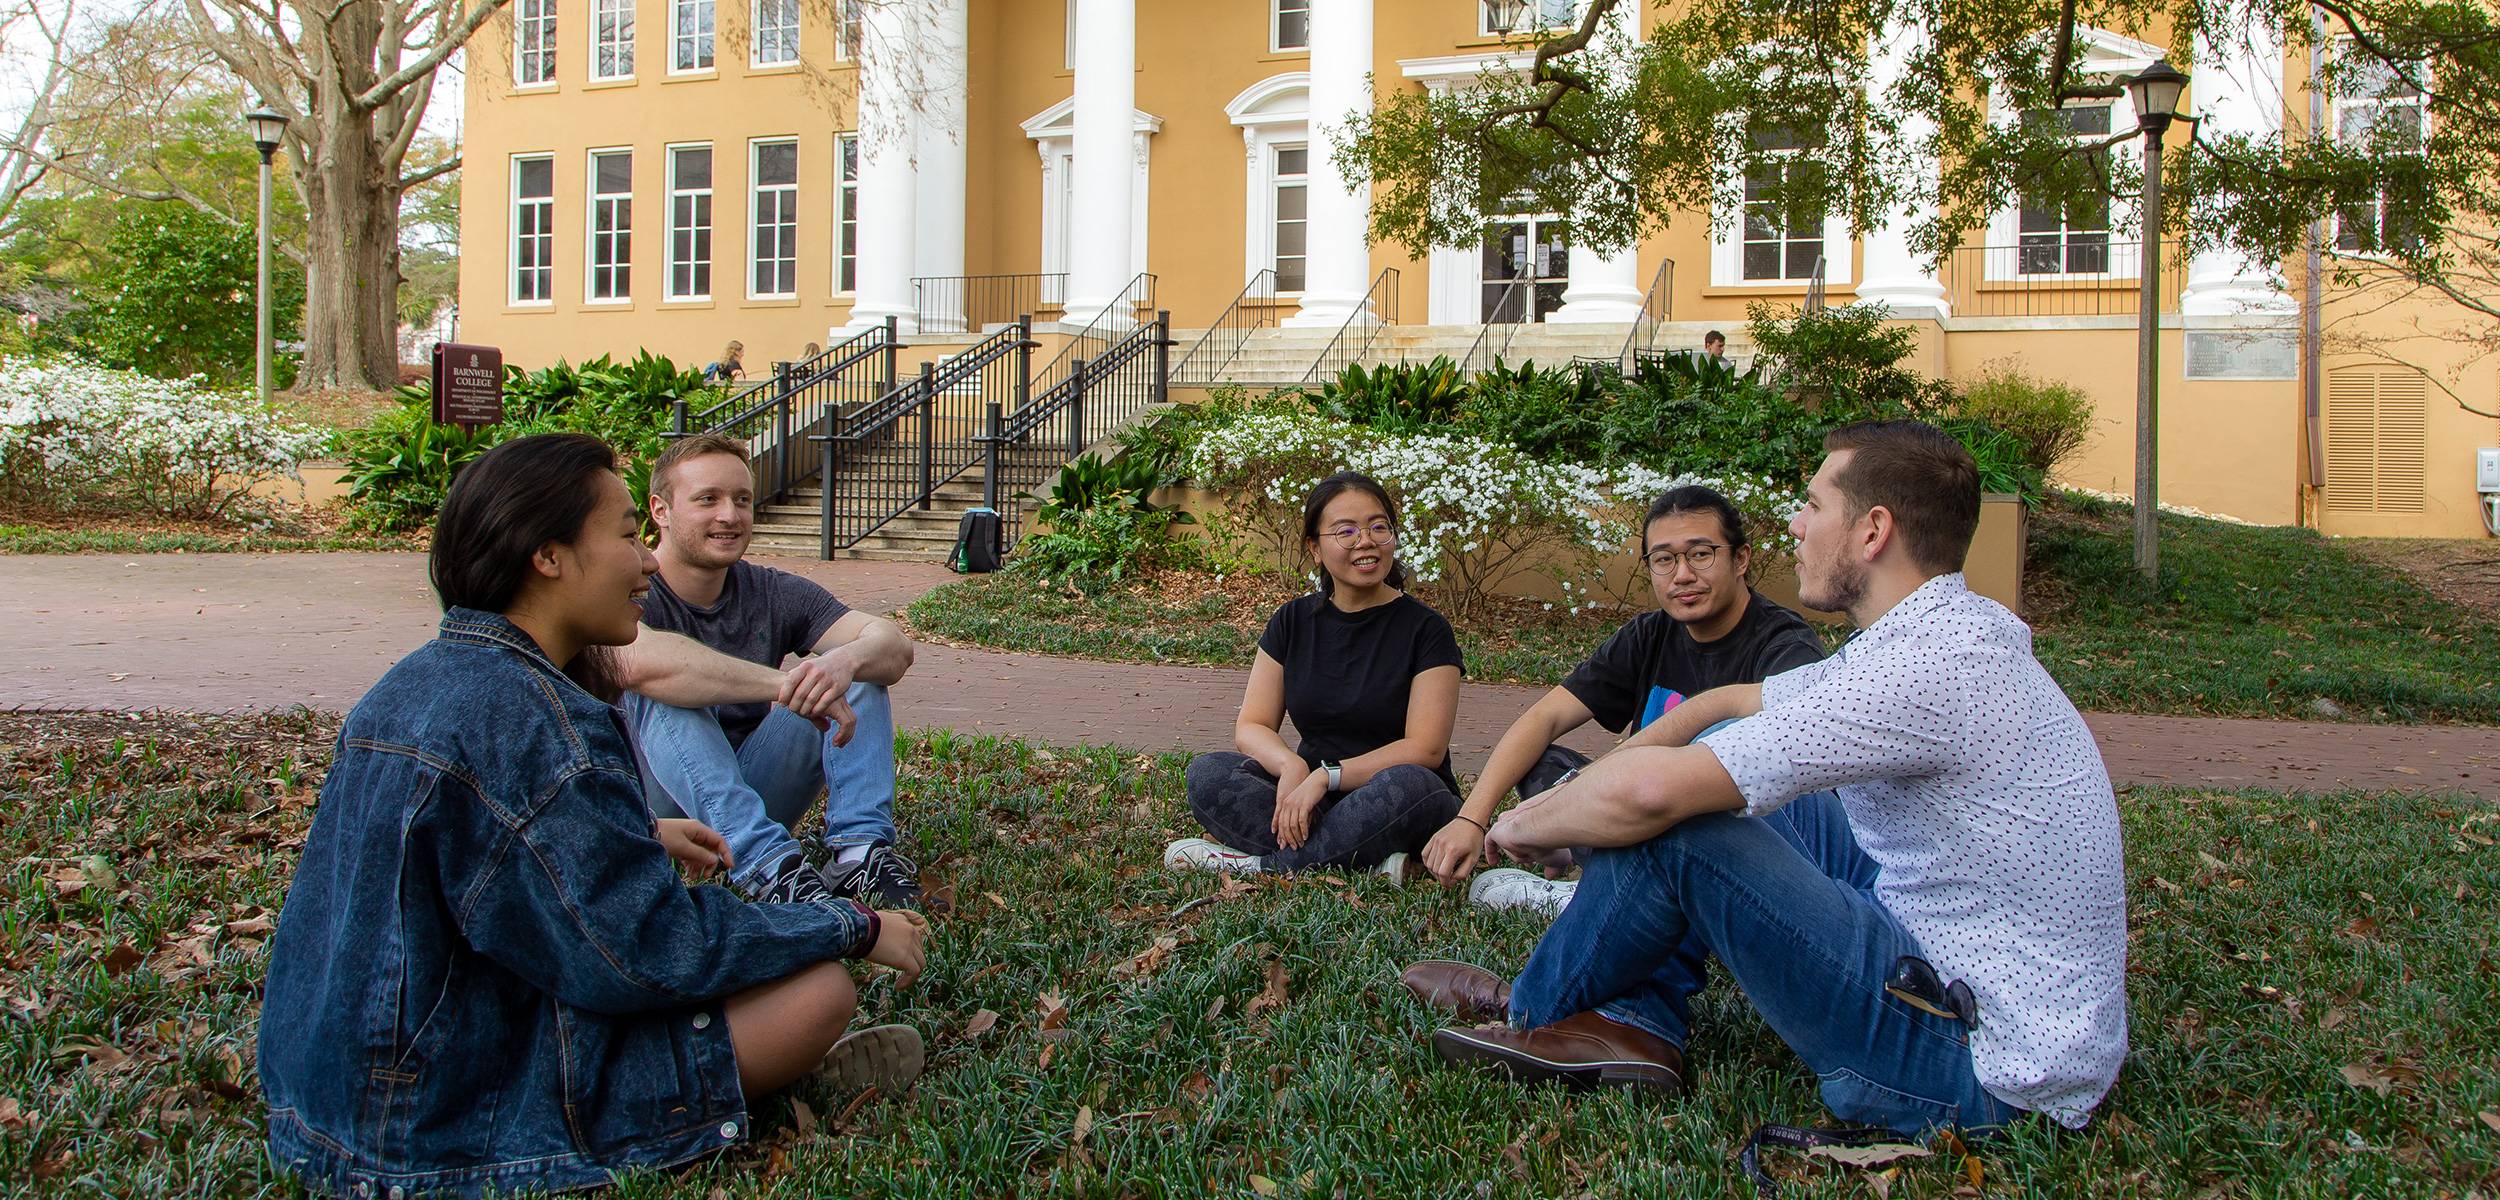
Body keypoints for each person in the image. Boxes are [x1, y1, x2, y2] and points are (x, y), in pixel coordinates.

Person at [1404, 421, 2127, 1139]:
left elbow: (1652, 794)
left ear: (1872, 531)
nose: (1795, 523)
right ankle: (1630, 1018)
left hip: (1982, 1066)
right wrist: (1601, 787)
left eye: (1813, 505)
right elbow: (1725, 706)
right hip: (1948, 960)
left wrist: (1521, 823)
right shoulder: (1935, 634)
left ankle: (1537, 1009)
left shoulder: (1925, 668)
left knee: (1679, 817)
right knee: (1715, 756)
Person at [260, 434, 931, 1198]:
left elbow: (481, 850)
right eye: (624, 535)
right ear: (548, 556)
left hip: (316, 1096)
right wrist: (852, 925)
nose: (647, 560)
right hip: (426, 1120)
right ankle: (732, 1095)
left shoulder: (410, 684)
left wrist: (641, 835)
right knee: (821, 992)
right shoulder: (547, 722)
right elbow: (650, 952)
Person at [1426, 485, 1825, 914]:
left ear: (1740, 559)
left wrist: (1559, 809)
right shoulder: (1650, 634)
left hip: (1733, 833)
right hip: (1637, 810)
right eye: (1664, 559)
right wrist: (1472, 817)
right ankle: (1586, 861)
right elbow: (1544, 717)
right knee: (1545, 765)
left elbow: (1785, 779)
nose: (1683, 575)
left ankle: (1600, 892)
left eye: (1701, 554)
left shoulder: (1785, 646)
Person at [630, 433, 923, 908]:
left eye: (741, 499)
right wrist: (790, 684)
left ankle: (858, 855)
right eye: (708, 499)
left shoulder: (771, 591)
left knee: (856, 668)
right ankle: (767, 866)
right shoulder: (630, 589)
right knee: (661, 688)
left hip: (750, 792)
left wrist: (841, 663)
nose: (729, 515)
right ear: (660, 510)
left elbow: (893, 646)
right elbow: (641, 663)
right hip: (653, 814)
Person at [1164, 471, 1465, 879]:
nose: (1367, 541)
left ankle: (1260, 866)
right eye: (1346, 531)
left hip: (1399, 796)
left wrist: (1328, 776)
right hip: (1312, 797)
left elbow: (1426, 749)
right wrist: (1292, 767)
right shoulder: (1293, 621)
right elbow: (1252, 725)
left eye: (1379, 527)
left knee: (1412, 785)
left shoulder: (1426, 629)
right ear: (1315, 549)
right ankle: (1363, 861)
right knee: (1208, 773)